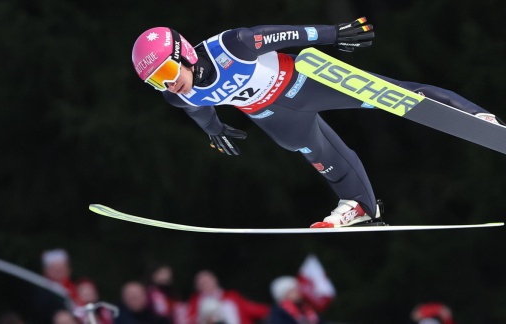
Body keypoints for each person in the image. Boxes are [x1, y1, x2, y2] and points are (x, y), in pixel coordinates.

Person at [130, 18, 503, 228]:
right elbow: (199, 109)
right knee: (315, 153)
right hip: (270, 115)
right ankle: (359, 206)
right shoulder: (176, 93)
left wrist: (335, 35)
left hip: (303, 85)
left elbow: (289, 34)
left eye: (165, 70)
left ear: (186, 54)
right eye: (155, 81)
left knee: (392, 95)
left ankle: (476, 116)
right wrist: (214, 131)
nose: (166, 82)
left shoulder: (233, 45)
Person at [186, 270, 269, 324]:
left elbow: (251, 308)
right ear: (197, 286)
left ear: (215, 280)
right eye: (202, 283)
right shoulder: (195, 301)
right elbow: (190, 320)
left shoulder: (231, 296)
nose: (205, 284)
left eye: (207, 281)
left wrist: (271, 310)